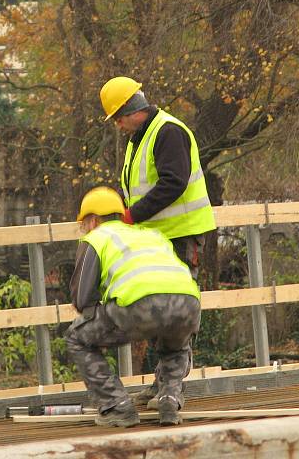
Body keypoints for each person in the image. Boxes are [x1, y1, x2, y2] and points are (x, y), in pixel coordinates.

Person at [100, 75, 216, 407]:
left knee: (175, 311)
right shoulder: (141, 137)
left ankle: (171, 386)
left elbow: (173, 183)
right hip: (157, 239)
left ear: (131, 109)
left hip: (181, 234)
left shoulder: (168, 132)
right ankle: (162, 381)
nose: (119, 125)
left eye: (119, 118)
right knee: (156, 309)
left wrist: (133, 215)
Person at [65, 187, 201, 427]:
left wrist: (103, 312)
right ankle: (168, 398)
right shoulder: (151, 235)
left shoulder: (95, 238)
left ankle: (116, 406)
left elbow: (81, 299)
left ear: (93, 220)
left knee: (77, 338)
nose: (83, 230)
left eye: (83, 224)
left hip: (138, 304)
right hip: (188, 303)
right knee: (176, 346)